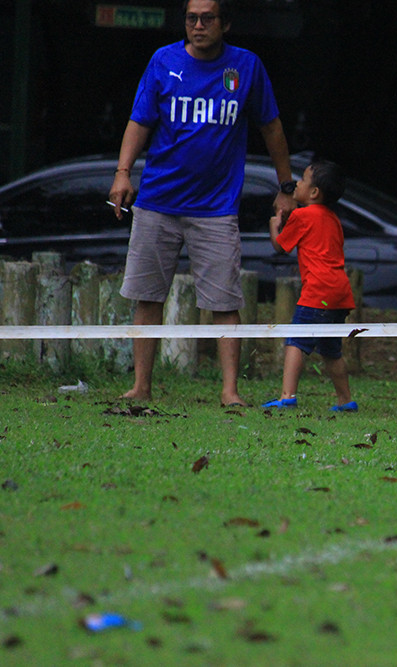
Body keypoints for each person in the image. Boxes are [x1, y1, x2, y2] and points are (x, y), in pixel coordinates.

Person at [108, 0, 295, 407]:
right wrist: (124, 172)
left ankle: (230, 391)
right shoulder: (163, 61)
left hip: (215, 208)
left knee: (225, 301)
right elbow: (139, 121)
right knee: (147, 296)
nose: (198, 25)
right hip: (158, 200)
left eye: (207, 18)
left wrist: (286, 185)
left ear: (225, 23)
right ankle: (141, 386)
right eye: (191, 18)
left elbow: (271, 126)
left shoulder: (246, 67)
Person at [261, 159, 357, 412]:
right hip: (339, 292)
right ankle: (345, 400)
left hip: (318, 292)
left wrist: (274, 226)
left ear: (314, 192)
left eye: (302, 180)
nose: (297, 184)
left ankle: (287, 396)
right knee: (331, 349)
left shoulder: (302, 216)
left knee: (295, 341)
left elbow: (281, 246)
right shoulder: (333, 218)